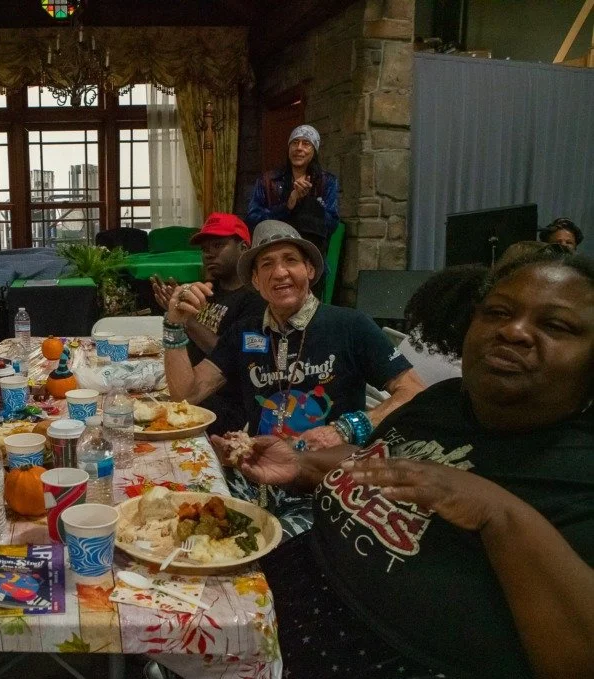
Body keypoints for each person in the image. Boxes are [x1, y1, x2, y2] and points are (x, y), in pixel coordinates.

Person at [215, 251, 594, 679]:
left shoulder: (579, 468)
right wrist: (299, 463)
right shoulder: (444, 401)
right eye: (498, 312)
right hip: (274, 602)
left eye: (556, 325)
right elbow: (379, 464)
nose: (514, 330)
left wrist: (499, 514)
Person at [164, 220, 424, 535]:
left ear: (310, 270)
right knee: (184, 520)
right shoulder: (246, 332)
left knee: (262, 549)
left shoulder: (351, 326)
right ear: (257, 281)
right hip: (259, 478)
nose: (280, 272)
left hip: (328, 486)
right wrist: (174, 325)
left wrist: (349, 427)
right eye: (267, 264)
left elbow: (413, 392)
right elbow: (186, 394)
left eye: (291, 260)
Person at [151, 212, 265, 434]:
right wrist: (175, 315)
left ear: (243, 247)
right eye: (205, 249)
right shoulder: (210, 291)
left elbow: (228, 355)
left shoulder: (255, 300)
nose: (209, 254)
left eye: (218, 245)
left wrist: (188, 321)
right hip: (189, 392)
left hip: (222, 411)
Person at [246, 124, 340, 273]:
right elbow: (252, 219)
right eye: (295, 143)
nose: (299, 148)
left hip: (311, 260)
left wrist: (309, 202)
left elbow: (332, 223)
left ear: (314, 150)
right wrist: (288, 205)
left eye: (306, 143)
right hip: (273, 254)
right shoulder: (268, 180)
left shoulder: (326, 181)